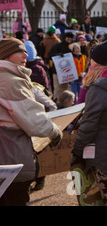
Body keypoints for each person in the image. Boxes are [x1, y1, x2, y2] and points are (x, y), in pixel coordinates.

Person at [0, 37, 63, 206]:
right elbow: (33, 119)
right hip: (12, 158)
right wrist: (55, 131)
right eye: (20, 51)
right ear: (6, 55)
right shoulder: (11, 81)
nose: (26, 55)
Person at [71, 36, 107, 206]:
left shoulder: (99, 89)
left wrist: (77, 150)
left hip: (100, 151)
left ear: (97, 62)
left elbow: (89, 124)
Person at [48, 32, 74, 100]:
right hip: (57, 71)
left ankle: (64, 102)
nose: (69, 39)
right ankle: (56, 103)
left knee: (65, 88)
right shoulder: (58, 46)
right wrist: (57, 55)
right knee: (57, 88)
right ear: (64, 38)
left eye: (71, 38)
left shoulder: (72, 47)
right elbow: (50, 55)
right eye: (68, 37)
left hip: (67, 71)